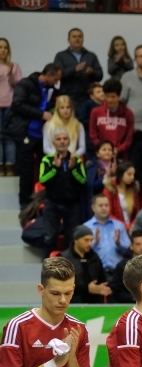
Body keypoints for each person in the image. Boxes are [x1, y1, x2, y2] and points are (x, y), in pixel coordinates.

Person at [5, 63, 61, 206]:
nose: (57, 82)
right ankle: (25, 207)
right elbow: (18, 104)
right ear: (48, 74)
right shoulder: (26, 84)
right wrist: (41, 114)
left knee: (47, 171)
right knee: (26, 173)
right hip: (25, 132)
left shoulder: (52, 91)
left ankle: (44, 203)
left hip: (42, 137)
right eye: (56, 79)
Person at [40, 128, 87, 258]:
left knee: (72, 239)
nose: (62, 142)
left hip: (72, 204)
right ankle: (47, 268)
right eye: (59, 139)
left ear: (69, 141)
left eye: (65, 139)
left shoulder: (76, 160)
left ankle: (70, 269)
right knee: (49, 237)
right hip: (52, 203)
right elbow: (42, 180)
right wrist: (55, 167)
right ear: (54, 143)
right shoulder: (47, 160)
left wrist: (73, 170)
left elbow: (83, 180)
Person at [60, 225, 110, 304]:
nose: (90, 243)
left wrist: (101, 288)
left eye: (91, 240)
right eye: (86, 240)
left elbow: (102, 278)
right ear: (76, 240)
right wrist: (86, 288)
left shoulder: (94, 257)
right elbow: (61, 285)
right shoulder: (64, 259)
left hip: (94, 302)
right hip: (72, 303)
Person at [54, 28, 102, 107]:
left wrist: (92, 72)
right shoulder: (61, 56)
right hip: (68, 97)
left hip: (87, 98)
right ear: (68, 40)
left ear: (83, 39)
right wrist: (74, 69)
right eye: (74, 37)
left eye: (80, 37)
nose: (77, 39)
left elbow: (100, 75)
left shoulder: (91, 56)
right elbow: (57, 75)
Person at [84, 194, 130, 271]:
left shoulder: (119, 226)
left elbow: (129, 251)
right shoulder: (86, 227)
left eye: (106, 205)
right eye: (100, 205)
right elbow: (82, 252)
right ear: (93, 207)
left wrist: (119, 244)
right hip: (95, 272)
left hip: (117, 272)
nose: (104, 208)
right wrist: (95, 243)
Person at [89, 79, 134, 159]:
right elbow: (93, 135)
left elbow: (128, 139)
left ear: (119, 96)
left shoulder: (128, 114)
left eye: (113, 97)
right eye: (107, 96)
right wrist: (103, 150)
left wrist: (117, 150)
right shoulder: (95, 112)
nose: (110, 100)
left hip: (121, 157)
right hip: (101, 156)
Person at [0, 38, 21, 177]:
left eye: (5, 47)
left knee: (9, 137)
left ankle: (10, 165)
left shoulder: (14, 66)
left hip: (10, 106)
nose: (2, 50)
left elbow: (19, 86)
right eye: (0, 47)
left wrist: (10, 74)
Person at [108, 230, 142, 304]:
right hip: (126, 304)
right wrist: (133, 298)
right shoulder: (122, 266)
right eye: (138, 244)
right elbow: (116, 289)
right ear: (131, 246)